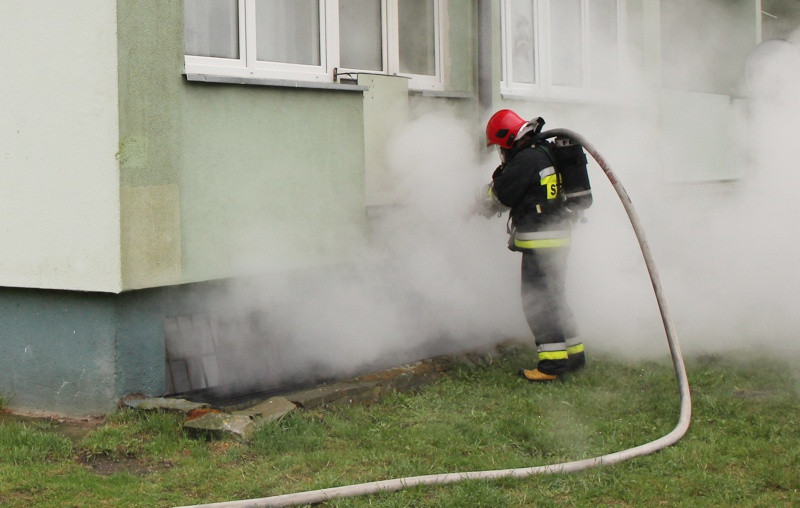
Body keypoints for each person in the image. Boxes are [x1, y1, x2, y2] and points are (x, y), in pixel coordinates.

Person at [474, 109, 586, 382]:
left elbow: (500, 194)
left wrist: (479, 202)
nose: (501, 152)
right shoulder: (546, 151)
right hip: (559, 238)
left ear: (509, 139)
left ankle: (551, 366)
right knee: (555, 298)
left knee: (537, 302)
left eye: (501, 146)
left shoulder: (526, 159)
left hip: (541, 242)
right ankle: (574, 355)